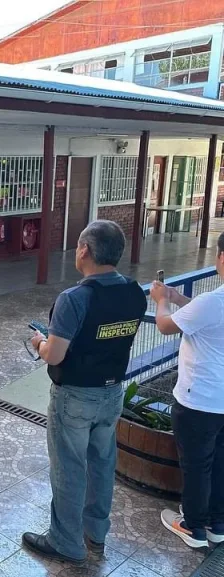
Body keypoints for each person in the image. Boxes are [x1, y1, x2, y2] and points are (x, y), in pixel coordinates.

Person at [23, 220, 147, 565]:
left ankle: (65, 541)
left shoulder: (74, 298)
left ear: (84, 250)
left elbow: (55, 355)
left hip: (75, 397)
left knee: (69, 467)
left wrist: (39, 341)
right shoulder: (134, 292)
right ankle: (96, 534)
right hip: (112, 394)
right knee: (103, 465)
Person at [151, 232, 224, 550]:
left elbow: (165, 325)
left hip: (199, 400)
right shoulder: (210, 304)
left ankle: (193, 527)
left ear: (222, 257)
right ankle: (217, 524)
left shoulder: (214, 301)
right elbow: (206, 316)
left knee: (197, 465)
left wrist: (162, 300)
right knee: (220, 462)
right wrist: (179, 299)